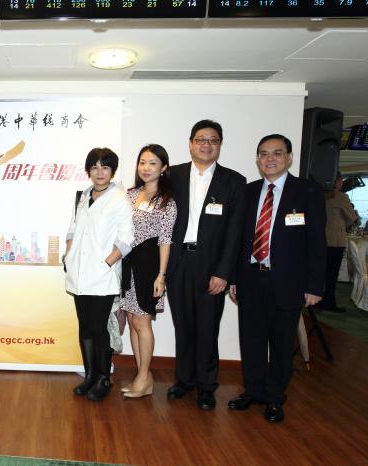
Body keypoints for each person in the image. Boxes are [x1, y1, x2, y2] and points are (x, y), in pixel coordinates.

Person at [229, 134, 326, 423]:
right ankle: (253, 391)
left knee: (282, 343)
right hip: (250, 278)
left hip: (288, 281)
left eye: (277, 153)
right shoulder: (249, 191)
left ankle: (274, 397)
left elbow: (317, 242)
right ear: (257, 159)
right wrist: (233, 278)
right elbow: (238, 240)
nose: (269, 159)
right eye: (263, 153)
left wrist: (314, 285)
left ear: (289, 157)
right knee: (251, 340)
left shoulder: (306, 191)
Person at [166, 119, 246, 410]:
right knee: (183, 325)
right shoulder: (172, 175)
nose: (206, 144)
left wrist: (224, 273)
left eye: (213, 140)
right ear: (190, 144)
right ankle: (184, 379)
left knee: (208, 327)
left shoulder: (234, 181)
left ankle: (206, 385)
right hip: (177, 262)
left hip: (211, 265)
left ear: (220, 145)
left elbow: (235, 232)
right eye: (201, 139)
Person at [64, 148, 134, 402]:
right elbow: (73, 229)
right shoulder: (84, 195)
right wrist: (68, 256)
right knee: (85, 327)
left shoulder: (119, 198)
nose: (99, 172)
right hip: (79, 273)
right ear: (89, 171)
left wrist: (107, 263)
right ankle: (90, 376)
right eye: (94, 167)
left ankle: (104, 379)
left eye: (105, 167)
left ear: (112, 171)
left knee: (99, 328)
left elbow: (127, 238)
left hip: (102, 276)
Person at [119, 144, 177, 399]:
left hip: (149, 267)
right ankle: (142, 376)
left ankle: (144, 376)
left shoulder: (167, 201)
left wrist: (161, 276)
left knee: (142, 321)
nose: (146, 167)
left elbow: (165, 240)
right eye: (142, 162)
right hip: (127, 265)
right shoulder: (130, 194)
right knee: (132, 320)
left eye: (153, 163)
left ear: (163, 168)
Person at [320, 173, 357, 312]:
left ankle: (317, 299)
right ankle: (328, 302)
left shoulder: (320, 195)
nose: (342, 183)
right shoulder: (341, 196)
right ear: (336, 182)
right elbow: (352, 217)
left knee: (320, 273)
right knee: (331, 274)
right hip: (335, 240)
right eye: (341, 180)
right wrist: (342, 224)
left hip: (320, 239)